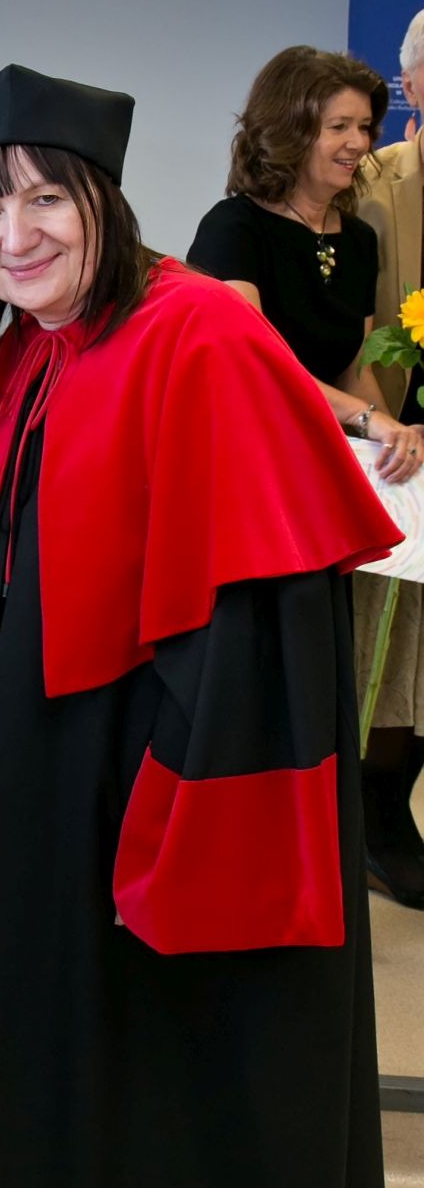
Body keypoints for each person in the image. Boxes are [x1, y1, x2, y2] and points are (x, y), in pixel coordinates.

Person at [0, 64, 399, 1188]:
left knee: (167, 1104)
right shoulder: (34, 346)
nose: (12, 233)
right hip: (57, 800)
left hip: (165, 802)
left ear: (103, 199)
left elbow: (265, 623)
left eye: (41, 196)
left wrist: (180, 821)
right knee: (81, 1096)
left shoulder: (200, 331)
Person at [188, 45, 424, 905]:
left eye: (366, 125)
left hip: (328, 465)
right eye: (339, 126)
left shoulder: (355, 239)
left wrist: (390, 443)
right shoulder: (233, 228)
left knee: (343, 658)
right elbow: (260, 365)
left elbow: (357, 363)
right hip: (252, 479)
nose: (359, 143)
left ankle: (348, 828)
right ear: (290, 129)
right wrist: (367, 418)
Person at [355, 9, 424, 904]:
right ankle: (376, 813)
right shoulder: (369, 180)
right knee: (392, 643)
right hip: (394, 446)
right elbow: (349, 329)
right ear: (410, 85)